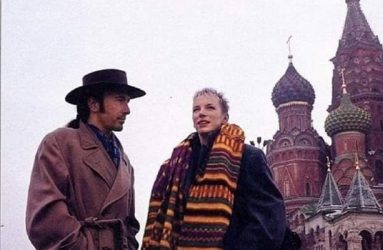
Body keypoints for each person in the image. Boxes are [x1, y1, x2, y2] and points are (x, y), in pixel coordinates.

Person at [142, 88, 287, 250]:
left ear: (224, 118)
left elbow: (269, 220)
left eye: (210, 107)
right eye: (196, 109)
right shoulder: (176, 165)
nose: (201, 113)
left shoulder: (248, 156)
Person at [26, 69, 145, 250]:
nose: (127, 110)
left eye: (127, 102)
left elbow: (130, 224)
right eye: (120, 100)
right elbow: (46, 219)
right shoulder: (59, 143)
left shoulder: (124, 161)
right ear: (94, 104)